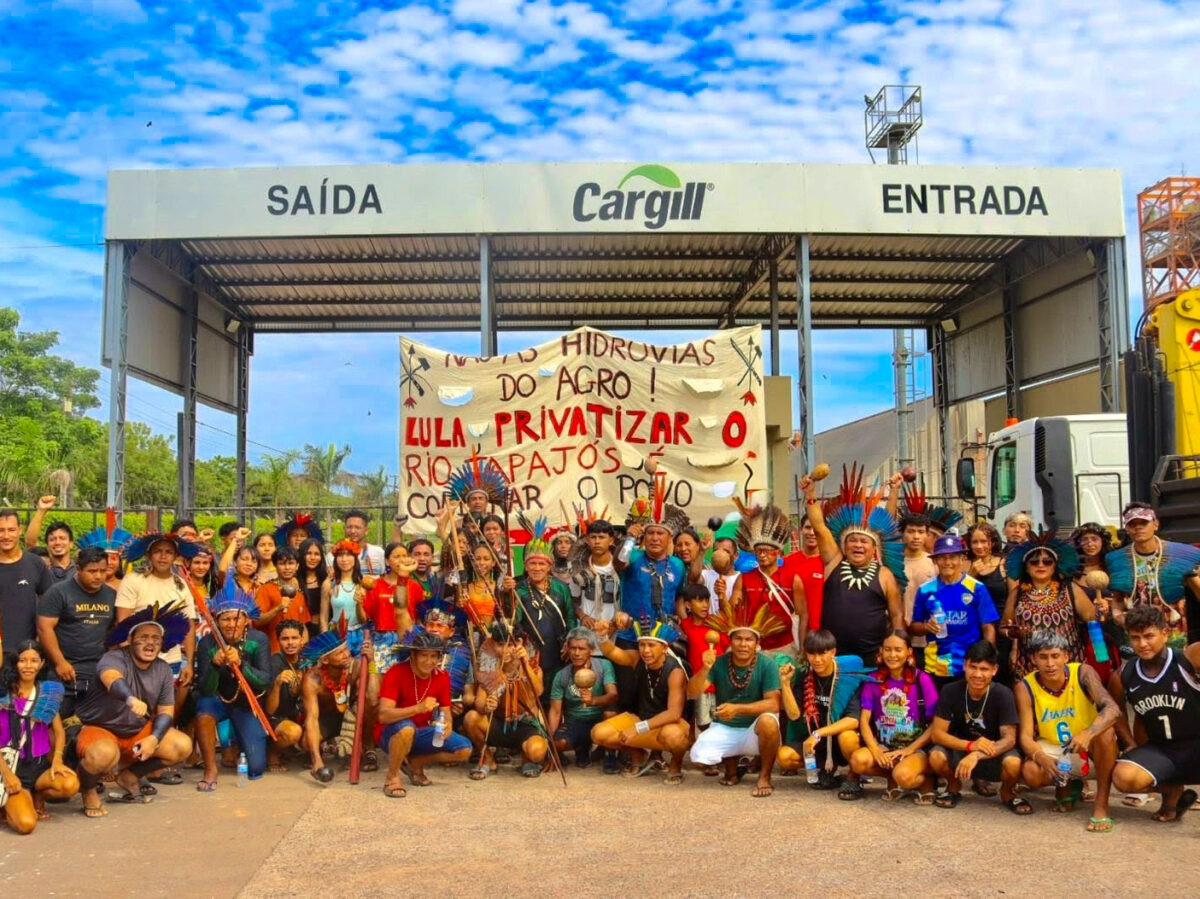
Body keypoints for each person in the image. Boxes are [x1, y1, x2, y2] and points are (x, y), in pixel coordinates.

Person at [74, 603, 194, 818]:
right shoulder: (114, 658)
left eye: (156, 639)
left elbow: (166, 710)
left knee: (182, 746)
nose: (150, 643)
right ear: (130, 640)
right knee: (103, 754)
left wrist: (154, 739)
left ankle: (129, 776)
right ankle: (88, 790)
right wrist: (130, 699)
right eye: (144, 637)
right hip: (101, 728)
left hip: (137, 731)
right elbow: (111, 678)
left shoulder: (163, 669)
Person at [1016, 629, 1120, 831]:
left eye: (1055, 656)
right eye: (1043, 657)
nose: (1050, 663)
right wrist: (1041, 757)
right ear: (1033, 659)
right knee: (1031, 772)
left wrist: (1088, 733)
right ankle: (1066, 786)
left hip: (1089, 748)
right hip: (1057, 751)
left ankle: (1101, 805)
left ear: (1066, 656)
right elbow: (1026, 737)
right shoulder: (1025, 686)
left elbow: (1113, 709)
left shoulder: (1082, 672)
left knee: (1106, 731)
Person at [801, 472, 905, 667]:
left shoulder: (884, 575)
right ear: (843, 545)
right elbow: (820, 527)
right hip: (831, 658)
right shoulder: (834, 561)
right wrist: (810, 494)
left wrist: (898, 649)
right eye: (853, 540)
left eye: (864, 541)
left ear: (874, 547)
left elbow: (897, 615)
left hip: (873, 659)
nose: (858, 545)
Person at [1111, 604, 1200, 823]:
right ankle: (1171, 793)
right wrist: (1130, 743)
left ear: (1165, 633)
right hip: (1163, 749)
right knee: (1124, 778)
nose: (1142, 644)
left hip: (1196, 743)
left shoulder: (1188, 659)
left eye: (1149, 636)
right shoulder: (1124, 674)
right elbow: (1116, 712)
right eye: (1135, 638)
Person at [686, 615, 784, 796]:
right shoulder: (720, 661)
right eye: (738, 639)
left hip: (754, 731)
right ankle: (733, 767)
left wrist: (737, 708)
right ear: (730, 641)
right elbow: (692, 692)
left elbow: (774, 704)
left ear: (757, 643)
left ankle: (764, 777)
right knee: (699, 757)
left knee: (769, 722)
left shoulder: (767, 664)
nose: (743, 644)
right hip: (726, 727)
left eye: (749, 639)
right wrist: (706, 668)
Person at [193, 581, 272, 791]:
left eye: (236, 619)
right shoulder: (207, 643)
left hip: (246, 703)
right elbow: (205, 689)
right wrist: (215, 664)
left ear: (246, 620)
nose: (231, 624)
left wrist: (241, 664)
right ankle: (210, 769)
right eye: (225, 619)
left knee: (256, 768)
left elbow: (265, 680)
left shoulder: (259, 639)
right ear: (216, 622)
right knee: (203, 709)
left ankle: (236, 744)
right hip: (217, 700)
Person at [591, 618, 691, 783]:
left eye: (651, 645)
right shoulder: (638, 659)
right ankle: (639, 755)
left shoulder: (675, 671)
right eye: (642, 645)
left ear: (665, 647)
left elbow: (674, 713)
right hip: (642, 720)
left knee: (673, 736)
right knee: (598, 734)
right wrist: (602, 637)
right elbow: (612, 652)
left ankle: (675, 764)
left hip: (669, 725)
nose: (645, 651)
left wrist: (638, 728)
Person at [928, 640, 1023, 812]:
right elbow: (937, 734)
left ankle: (1008, 792)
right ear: (964, 665)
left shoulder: (1003, 694)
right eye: (973, 667)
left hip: (992, 751)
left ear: (994, 670)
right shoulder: (950, 691)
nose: (978, 674)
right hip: (961, 748)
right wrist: (970, 746)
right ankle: (953, 785)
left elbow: (1009, 739)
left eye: (984, 669)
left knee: (1013, 763)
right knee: (936, 755)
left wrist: (976, 755)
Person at [612, 502, 688, 710]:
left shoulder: (678, 565)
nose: (655, 538)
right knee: (628, 694)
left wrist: (685, 625)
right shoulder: (635, 556)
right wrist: (629, 539)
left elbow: (679, 596)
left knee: (657, 696)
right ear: (644, 537)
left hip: (661, 638)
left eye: (660, 533)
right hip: (630, 637)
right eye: (650, 533)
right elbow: (618, 563)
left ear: (669, 538)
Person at [377, 630, 472, 796]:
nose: (429, 661)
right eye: (424, 656)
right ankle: (392, 778)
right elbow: (383, 715)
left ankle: (415, 763)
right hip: (392, 733)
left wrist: (447, 724)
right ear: (413, 655)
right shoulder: (396, 672)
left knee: (464, 749)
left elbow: (445, 711)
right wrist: (417, 709)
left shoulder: (442, 677)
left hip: (421, 732)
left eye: (434, 656)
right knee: (407, 729)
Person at [777, 629, 871, 797]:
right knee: (784, 758)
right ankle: (827, 770)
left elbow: (853, 720)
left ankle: (853, 778)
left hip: (839, 738)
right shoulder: (805, 676)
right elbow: (793, 715)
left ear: (833, 652)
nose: (817, 659)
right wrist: (785, 684)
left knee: (847, 736)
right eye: (812, 654)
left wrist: (817, 733)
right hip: (817, 741)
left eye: (823, 653)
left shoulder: (847, 676)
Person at [850, 630, 939, 803]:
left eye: (898, 650)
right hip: (886, 746)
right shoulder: (873, 680)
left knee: (904, 776)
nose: (892, 655)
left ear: (909, 652)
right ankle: (893, 779)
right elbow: (864, 721)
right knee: (858, 761)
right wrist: (876, 750)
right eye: (888, 649)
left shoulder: (922, 680)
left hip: (916, 748)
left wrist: (909, 750)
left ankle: (925, 781)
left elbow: (936, 724)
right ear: (881, 652)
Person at [0, 644, 77, 833]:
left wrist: (57, 760)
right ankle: (10, 804)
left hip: (37, 764)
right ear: (15, 663)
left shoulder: (48, 692)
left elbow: (59, 731)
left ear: (41, 663)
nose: (28, 666)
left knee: (69, 784)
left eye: (34, 660)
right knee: (26, 825)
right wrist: (8, 775)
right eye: (22, 660)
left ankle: (37, 798)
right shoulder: (3, 694)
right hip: (8, 766)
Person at [1000, 533, 1096, 679]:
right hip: (1029, 667)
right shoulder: (1017, 593)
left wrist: (1102, 657)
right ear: (1025, 567)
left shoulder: (1070, 589)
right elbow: (1003, 627)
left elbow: (1093, 620)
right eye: (1034, 562)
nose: (1040, 565)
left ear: (1055, 565)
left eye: (1047, 561)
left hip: (1068, 666)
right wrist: (1013, 634)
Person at [36, 545, 116, 719]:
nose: (98, 576)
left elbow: (115, 631)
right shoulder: (58, 592)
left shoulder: (112, 595)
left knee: (92, 721)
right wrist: (60, 662)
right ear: (78, 569)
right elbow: (44, 628)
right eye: (92, 571)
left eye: (103, 571)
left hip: (98, 669)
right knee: (53, 718)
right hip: (64, 669)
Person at [1107, 504, 1200, 650]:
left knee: (1174, 669)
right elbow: (1118, 599)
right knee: (1134, 671)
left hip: (1172, 632)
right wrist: (1119, 617)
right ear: (1127, 529)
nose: (1138, 528)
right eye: (1132, 524)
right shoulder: (1117, 560)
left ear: (1155, 524)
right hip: (1136, 634)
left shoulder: (1183, 555)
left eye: (1143, 523)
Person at [911, 534, 999, 689]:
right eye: (942, 557)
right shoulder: (925, 590)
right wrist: (926, 627)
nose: (947, 562)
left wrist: (987, 660)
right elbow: (914, 627)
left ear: (962, 559)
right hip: (935, 667)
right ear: (935, 560)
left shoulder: (977, 588)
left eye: (953, 557)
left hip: (968, 667)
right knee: (936, 711)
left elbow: (988, 628)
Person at [462, 625, 549, 780]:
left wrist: (525, 663)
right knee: (471, 718)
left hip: (525, 724)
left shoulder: (532, 667)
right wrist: (487, 705)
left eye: (510, 644)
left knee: (537, 752)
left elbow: (538, 691)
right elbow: (479, 704)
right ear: (494, 645)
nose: (505, 650)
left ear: (520, 643)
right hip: (498, 724)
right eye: (500, 644)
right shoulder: (489, 668)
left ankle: (527, 759)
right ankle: (488, 760)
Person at [505, 522, 576, 704]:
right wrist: (506, 594)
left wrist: (569, 642)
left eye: (541, 564)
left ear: (549, 566)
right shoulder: (518, 590)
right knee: (532, 694)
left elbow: (570, 618)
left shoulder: (561, 588)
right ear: (526, 566)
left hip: (557, 650)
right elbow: (513, 621)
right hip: (529, 651)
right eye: (532, 564)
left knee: (555, 695)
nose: (537, 568)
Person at [730, 504, 807, 656]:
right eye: (759, 551)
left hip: (785, 647)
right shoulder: (744, 578)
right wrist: (720, 596)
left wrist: (803, 648)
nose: (762, 555)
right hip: (754, 647)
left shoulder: (793, 578)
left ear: (777, 552)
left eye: (767, 551)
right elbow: (733, 612)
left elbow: (803, 615)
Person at [546, 627, 618, 769]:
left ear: (591, 650)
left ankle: (609, 753)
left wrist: (593, 701)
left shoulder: (603, 666)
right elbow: (555, 711)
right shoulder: (562, 675)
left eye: (582, 649)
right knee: (559, 743)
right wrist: (553, 747)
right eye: (573, 648)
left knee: (610, 712)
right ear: (567, 649)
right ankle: (582, 746)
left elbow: (613, 695)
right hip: (576, 721)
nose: (576, 653)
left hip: (599, 720)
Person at [298, 630, 363, 782]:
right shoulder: (312, 679)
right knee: (307, 743)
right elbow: (312, 719)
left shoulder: (356, 667)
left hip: (349, 718)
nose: (346, 655)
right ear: (325, 660)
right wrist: (317, 760)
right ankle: (317, 753)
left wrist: (371, 661)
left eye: (346, 649)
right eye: (340, 653)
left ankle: (367, 749)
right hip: (326, 719)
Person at [677, 582, 729, 737]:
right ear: (688, 605)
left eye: (707, 600)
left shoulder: (716, 623)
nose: (705, 605)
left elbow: (726, 646)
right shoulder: (684, 626)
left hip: (719, 683)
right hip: (699, 683)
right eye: (699, 601)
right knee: (703, 722)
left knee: (720, 719)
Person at [0, 508, 55, 652]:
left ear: (20, 530)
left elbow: (50, 605)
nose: (6, 536)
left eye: (11, 530)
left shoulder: (35, 563)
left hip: (26, 654)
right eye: (1, 530)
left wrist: (41, 638)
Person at [569, 519, 622, 652]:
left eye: (602, 537)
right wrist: (583, 616)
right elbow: (572, 600)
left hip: (615, 633)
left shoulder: (621, 566)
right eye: (593, 537)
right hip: (588, 634)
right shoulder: (579, 569)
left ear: (611, 541)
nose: (597, 541)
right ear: (587, 539)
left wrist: (615, 624)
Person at [264, 619, 305, 772]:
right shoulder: (274, 663)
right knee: (293, 733)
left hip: (296, 714)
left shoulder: (306, 661)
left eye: (294, 638)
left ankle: (292, 750)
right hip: (275, 718)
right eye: (285, 639)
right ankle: (272, 753)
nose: (290, 643)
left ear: (301, 639)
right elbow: (269, 710)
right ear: (278, 641)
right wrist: (277, 684)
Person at [255, 546, 312, 653]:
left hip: (295, 653)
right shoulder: (265, 589)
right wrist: (278, 608)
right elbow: (257, 621)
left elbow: (303, 625)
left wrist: (305, 650)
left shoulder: (299, 594)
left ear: (297, 566)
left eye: (291, 563)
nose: (287, 567)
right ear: (275, 565)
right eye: (282, 563)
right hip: (272, 651)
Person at [784, 511, 824, 630]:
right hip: (792, 631)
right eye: (807, 527)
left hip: (821, 631)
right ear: (801, 529)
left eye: (815, 528)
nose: (812, 533)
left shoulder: (829, 563)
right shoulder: (786, 562)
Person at [23, 496, 74, 581]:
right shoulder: (43, 568)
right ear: (47, 545)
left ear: (71, 543)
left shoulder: (80, 570)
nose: (57, 542)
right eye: (52, 539)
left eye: (62, 538)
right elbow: (31, 543)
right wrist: (41, 510)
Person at [322, 539, 366, 633]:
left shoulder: (363, 584)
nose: (344, 559)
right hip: (335, 635)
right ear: (335, 559)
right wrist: (326, 639)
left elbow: (365, 619)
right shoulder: (329, 584)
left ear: (355, 558)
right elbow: (323, 619)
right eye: (340, 555)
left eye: (349, 554)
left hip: (358, 636)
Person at [297, 537, 327, 637]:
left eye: (317, 554)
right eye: (308, 553)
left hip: (322, 631)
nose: (313, 558)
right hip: (298, 632)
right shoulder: (294, 580)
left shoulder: (327, 580)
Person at [342, 510, 386, 578]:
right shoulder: (334, 555)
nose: (353, 531)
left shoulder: (379, 553)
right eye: (349, 527)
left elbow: (387, 576)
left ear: (366, 530)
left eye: (357, 527)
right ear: (344, 529)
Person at [407, 538, 439, 604]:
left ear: (432, 557)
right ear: (409, 556)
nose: (422, 558)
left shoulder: (438, 580)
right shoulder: (404, 579)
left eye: (426, 554)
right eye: (417, 554)